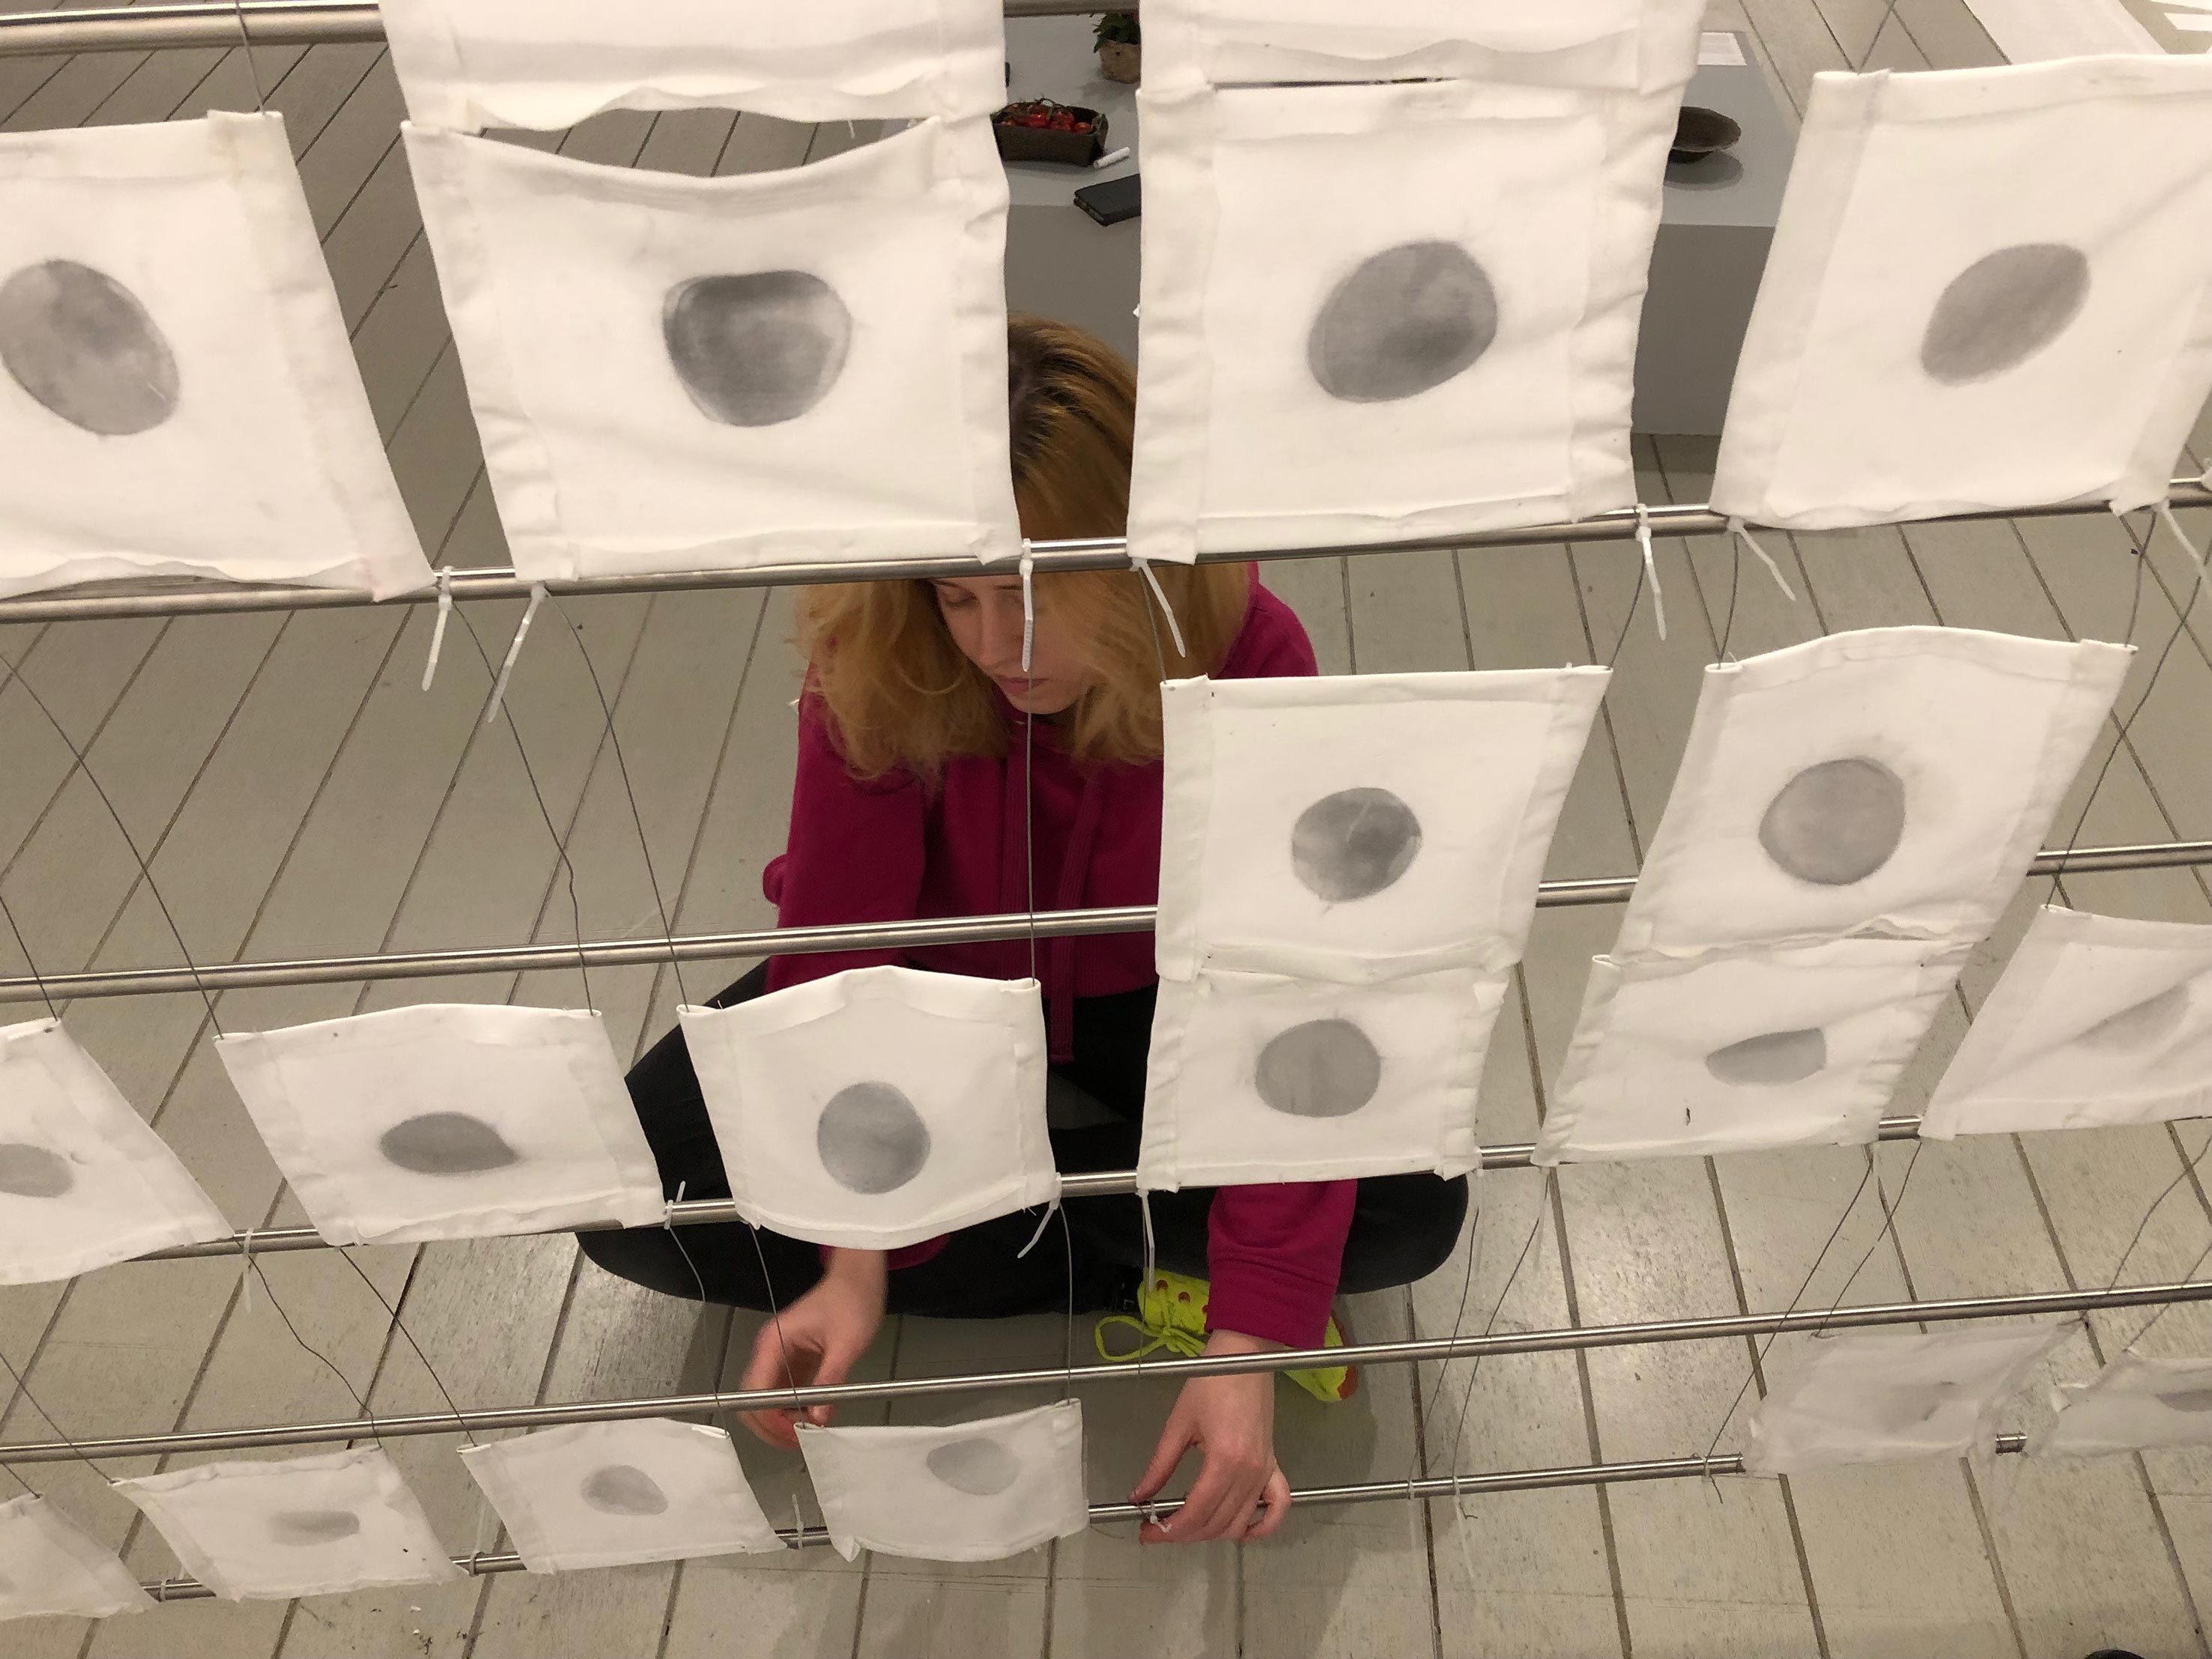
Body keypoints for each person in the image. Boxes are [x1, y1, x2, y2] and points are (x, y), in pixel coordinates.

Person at [581, 317, 1467, 1545]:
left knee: (1413, 1209)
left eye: (1042, 599)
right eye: (958, 598)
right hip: (929, 993)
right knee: (634, 1193)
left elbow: (1288, 986)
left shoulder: (1250, 648)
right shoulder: (875, 653)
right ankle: (1144, 1245)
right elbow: (837, 955)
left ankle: (1101, 1241)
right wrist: (855, 1248)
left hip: (1171, 991)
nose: (997, 649)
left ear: (1136, 564)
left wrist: (1250, 1339)